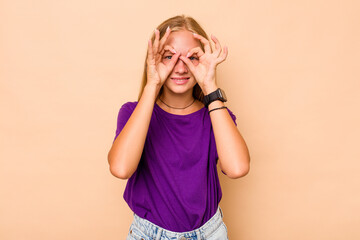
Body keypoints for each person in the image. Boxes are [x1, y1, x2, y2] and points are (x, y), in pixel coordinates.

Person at [108, 14, 250, 240]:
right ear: (153, 59)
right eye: (169, 56)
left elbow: (237, 168)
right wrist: (153, 83)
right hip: (148, 235)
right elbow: (121, 168)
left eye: (192, 58)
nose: (180, 67)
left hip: (210, 234)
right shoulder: (132, 113)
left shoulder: (216, 116)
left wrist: (210, 87)